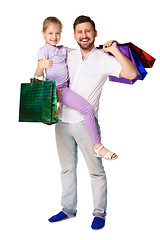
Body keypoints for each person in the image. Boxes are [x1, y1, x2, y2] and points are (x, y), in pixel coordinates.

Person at [48, 15, 138, 230]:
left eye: (88, 31)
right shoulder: (68, 56)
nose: (84, 35)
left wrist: (115, 50)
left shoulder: (104, 58)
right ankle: (68, 209)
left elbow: (131, 73)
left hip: (85, 125)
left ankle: (99, 213)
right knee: (66, 169)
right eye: (80, 32)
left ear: (95, 33)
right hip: (61, 121)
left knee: (95, 170)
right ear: (74, 35)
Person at [36, 16, 117, 160]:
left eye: (57, 33)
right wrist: (41, 66)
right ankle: (97, 146)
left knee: (86, 109)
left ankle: (97, 146)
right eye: (50, 33)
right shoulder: (43, 51)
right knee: (87, 109)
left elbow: (81, 50)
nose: (54, 37)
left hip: (63, 89)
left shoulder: (63, 49)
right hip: (53, 90)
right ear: (43, 33)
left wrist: (100, 51)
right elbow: (38, 75)